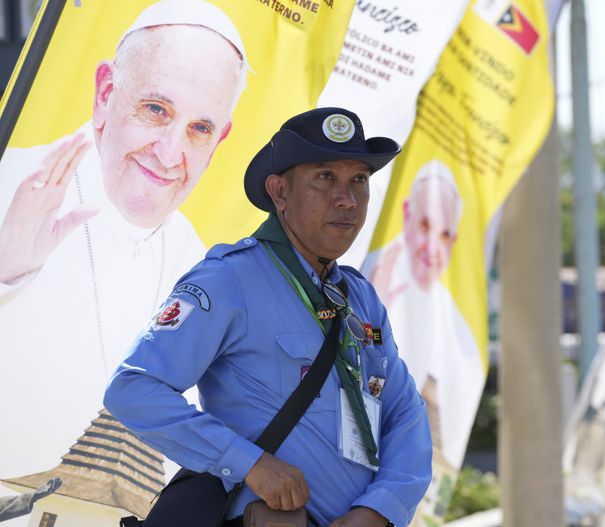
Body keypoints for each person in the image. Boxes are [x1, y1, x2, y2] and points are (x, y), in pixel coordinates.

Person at [104, 107, 433, 527]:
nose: (347, 199)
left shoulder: (360, 296)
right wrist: (250, 463)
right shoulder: (229, 277)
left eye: (359, 180)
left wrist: (379, 508)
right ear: (279, 191)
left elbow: (405, 413)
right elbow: (133, 388)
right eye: (325, 177)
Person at [0, 0, 248, 486]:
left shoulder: (207, 270)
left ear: (220, 141)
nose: (170, 154)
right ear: (106, 93)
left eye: (200, 129)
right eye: (156, 109)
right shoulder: (10, 178)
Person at [363, 159, 483, 470]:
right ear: (406, 215)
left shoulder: (457, 323)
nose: (432, 248)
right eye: (425, 226)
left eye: (444, 235)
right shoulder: (364, 277)